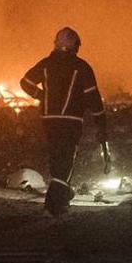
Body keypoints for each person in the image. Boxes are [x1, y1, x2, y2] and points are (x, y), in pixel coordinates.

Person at [19, 27, 107, 215]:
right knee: (65, 161)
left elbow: (25, 82)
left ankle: (64, 194)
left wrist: (42, 96)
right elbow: (93, 97)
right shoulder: (82, 67)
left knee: (56, 157)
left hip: (49, 119)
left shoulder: (45, 64)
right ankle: (54, 205)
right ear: (76, 46)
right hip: (71, 120)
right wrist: (101, 122)